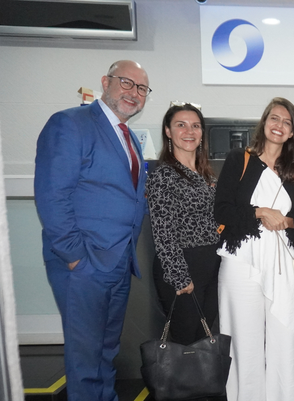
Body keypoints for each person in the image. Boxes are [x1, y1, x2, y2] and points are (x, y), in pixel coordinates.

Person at [34, 60, 150, 400]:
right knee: (85, 357)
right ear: (105, 82)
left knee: (106, 351)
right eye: (126, 82)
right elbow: (53, 195)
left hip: (118, 262)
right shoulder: (71, 123)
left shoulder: (128, 136)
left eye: (142, 88)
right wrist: (75, 258)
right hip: (84, 264)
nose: (134, 93)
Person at [214, 98, 294, 401]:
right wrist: (259, 212)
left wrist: (284, 220)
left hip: (284, 261)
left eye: (286, 122)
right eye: (274, 118)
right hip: (242, 261)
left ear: (293, 132)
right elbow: (221, 210)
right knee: (244, 341)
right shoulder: (239, 159)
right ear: (264, 122)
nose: (279, 125)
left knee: (287, 337)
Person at [146, 104, 220, 345]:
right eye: (181, 125)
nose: (189, 131)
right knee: (185, 341)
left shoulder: (207, 174)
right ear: (168, 132)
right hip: (183, 266)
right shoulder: (164, 175)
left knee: (205, 339)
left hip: (211, 264)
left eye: (195, 126)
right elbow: (163, 231)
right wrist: (179, 276)